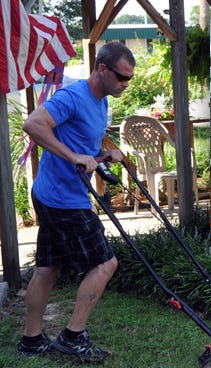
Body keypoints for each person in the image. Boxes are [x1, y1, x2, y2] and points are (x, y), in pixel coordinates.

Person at [17, 42, 135, 362]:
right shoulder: (73, 96)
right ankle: (73, 336)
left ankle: (31, 340)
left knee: (46, 268)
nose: (126, 84)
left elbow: (81, 145)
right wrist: (73, 157)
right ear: (102, 69)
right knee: (105, 264)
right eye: (123, 77)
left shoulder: (100, 102)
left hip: (53, 193)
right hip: (62, 199)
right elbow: (33, 124)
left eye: (130, 79)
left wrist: (103, 154)